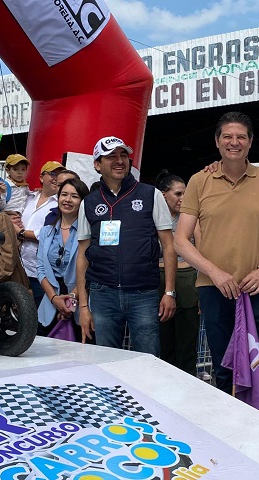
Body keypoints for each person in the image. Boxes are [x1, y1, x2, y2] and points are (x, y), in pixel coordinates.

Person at [174, 112, 259, 423]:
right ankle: (231, 435)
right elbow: (181, 240)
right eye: (227, 136)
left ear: (250, 142)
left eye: (241, 136)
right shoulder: (200, 181)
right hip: (215, 291)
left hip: (258, 290)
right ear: (217, 142)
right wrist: (214, 272)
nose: (234, 142)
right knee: (225, 369)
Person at [75, 136, 176, 353]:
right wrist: (83, 306)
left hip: (143, 293)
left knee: (148, 361)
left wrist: (169, 292)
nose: (119, 161)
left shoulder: (151, 195)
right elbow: (82, 254)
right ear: (97, 164)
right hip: (102, 294)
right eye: (111, 156)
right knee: (107, 361)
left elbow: (168, 246)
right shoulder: (88, 203)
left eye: (123, 155)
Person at [156, 169, 201, 376]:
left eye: (185, 193)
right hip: (159, 279)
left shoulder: (191, 218)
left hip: (188, 279)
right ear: (163, 195)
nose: (183, 198)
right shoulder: (153, 217)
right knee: (163, 341)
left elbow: (201, 248)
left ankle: (188, 384)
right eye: (178, 194)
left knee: (187, 342)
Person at [36, 178, 89, 337]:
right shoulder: (46, 231)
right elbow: (41, 270)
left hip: (79, 304)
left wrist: (69, 305)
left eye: (74, 196)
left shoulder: (89, 233)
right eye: (64, 194)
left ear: (82, 202)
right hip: (50, 304)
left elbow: (89, 272)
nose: (67, 200)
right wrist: (54, 299)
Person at [17, 161, 66, 307]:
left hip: (40, 270)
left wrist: (20, 232)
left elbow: (48, 234)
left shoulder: (61, 203)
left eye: (60, 174)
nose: (56, 178)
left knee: (42, 312)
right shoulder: (28, 197)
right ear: (41, 177)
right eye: (52, 173)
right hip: (18, 266)